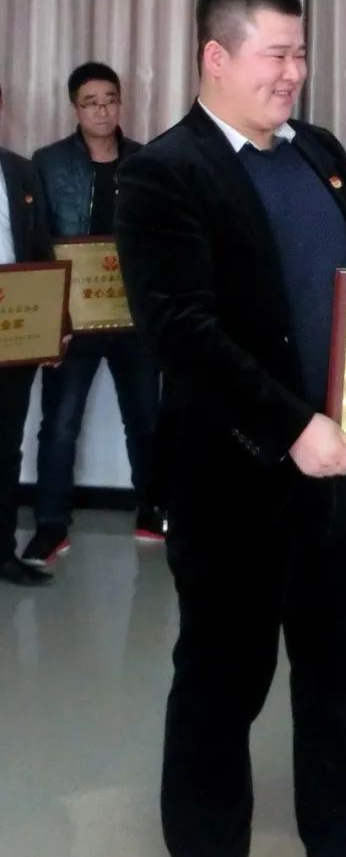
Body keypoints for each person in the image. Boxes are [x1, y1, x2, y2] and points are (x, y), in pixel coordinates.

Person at [115, 0, 346, 857]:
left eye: (301, 54)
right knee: (220, 688)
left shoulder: (315, 148)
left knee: (342, 679)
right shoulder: (165, 173)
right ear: (216, 57)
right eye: (277, 55)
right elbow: (182, 330)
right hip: (236, 485)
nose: (293, 72)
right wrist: (294, 426)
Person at [23, 62, 162, 567]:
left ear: (121, 103)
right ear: (75, 108)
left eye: (109, 100)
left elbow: (164, 238)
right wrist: (48, 321)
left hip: (135, 317)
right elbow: (37, 240)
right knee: (60, 424)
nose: (101, 111)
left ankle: (154, 510)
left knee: (146, 419)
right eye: (90, 102)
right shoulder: (48, 163)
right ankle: (50, 525)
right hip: (72, 318)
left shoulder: (148, 161)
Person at [0, 83, 55, 587]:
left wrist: (53, 326)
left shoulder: (20, 171)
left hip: (13, 331)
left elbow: (39, 250)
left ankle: (2, 554)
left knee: (5, 446)